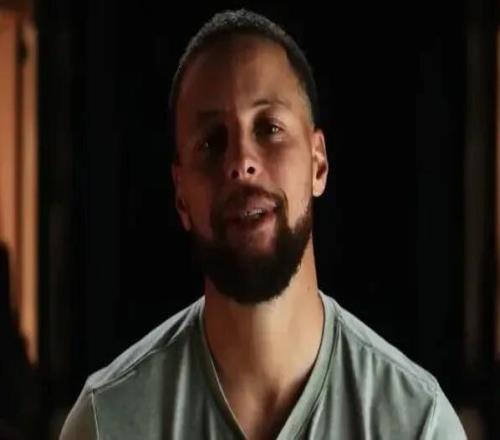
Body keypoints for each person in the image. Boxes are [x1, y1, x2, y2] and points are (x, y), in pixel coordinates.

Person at [60, 9, 467, 439]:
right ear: (180, 195)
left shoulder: (418, 424)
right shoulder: (107, 422)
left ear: (318, 163)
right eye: (211, 142)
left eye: (269, 128)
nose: (241, 163)